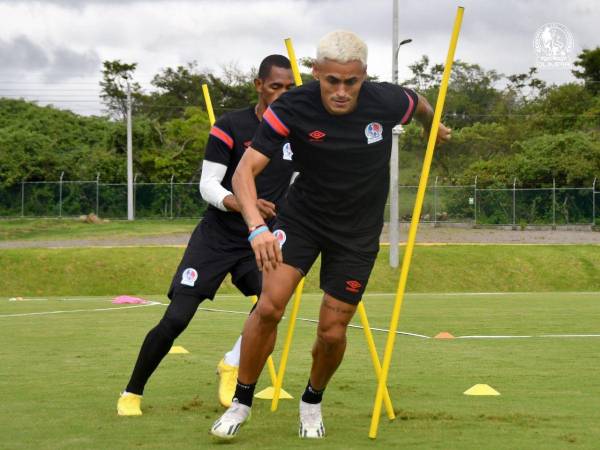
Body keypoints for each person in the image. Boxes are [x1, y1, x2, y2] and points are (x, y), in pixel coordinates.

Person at [210, 31, 451, 439]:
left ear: (364, 77)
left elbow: (420, 103)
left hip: (357, 233)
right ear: (316, 73)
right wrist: (256, 228)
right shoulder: (291, 106)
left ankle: (311, 400)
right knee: (269, 307)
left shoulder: (387, 100)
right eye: (331, 81)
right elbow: (242, 172)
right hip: (303, 218)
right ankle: (242, 400)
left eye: (351, 82)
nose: (341, 91)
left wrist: (434, 126)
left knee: (332, 331)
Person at [117, 54, 296, 416]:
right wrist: (246, 206)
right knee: (177, 318)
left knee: (272, 305)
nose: (283, 94)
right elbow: (207, 185)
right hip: (216, 237)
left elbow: (298, 183)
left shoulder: (299, 132)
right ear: (259, 86)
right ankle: (132, 391)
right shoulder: (230, 126)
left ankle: (232, 362)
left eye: (291, 88)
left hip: (259, 239)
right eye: (276, 86)